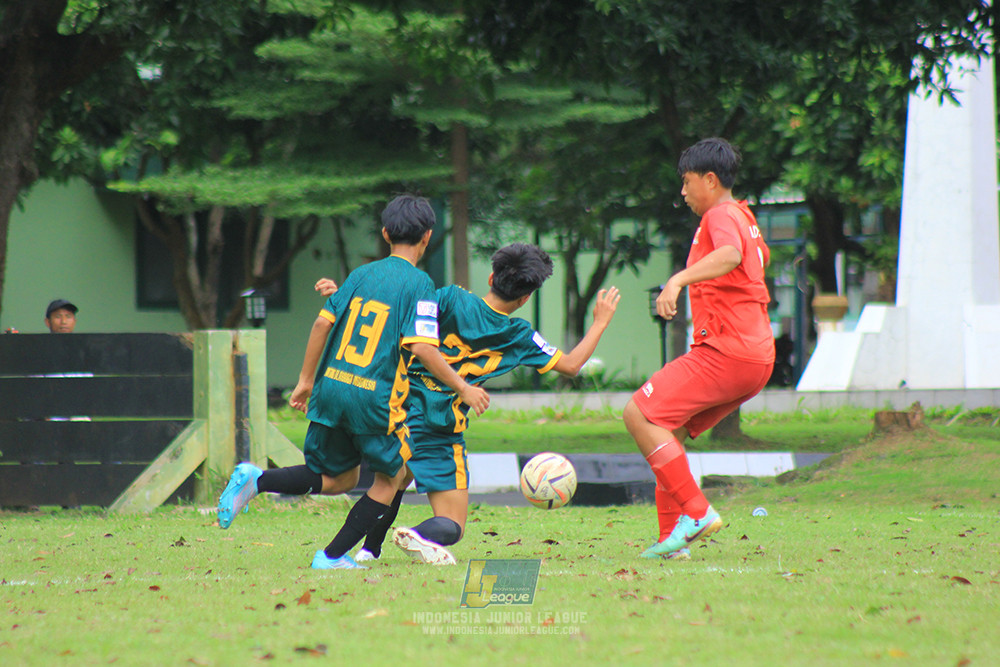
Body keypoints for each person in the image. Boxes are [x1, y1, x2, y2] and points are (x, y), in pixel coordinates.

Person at [216, 194, 490, 569]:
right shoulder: (421, 284)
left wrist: (305, 381)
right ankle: (331, 556)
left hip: (332, 388)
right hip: (373, 398)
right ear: (427, 237)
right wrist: (464, 387)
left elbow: (321, 323)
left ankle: (257, 480)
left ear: (384, 233)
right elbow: (424, 347)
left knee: (338, 478)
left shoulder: (361, 275)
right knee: (391, 478)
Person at [318, 243, 620, 565]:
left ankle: (367, 550)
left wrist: (347, 298)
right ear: (524, 298)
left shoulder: (450, 298)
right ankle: (416, 534)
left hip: (400, 408)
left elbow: (398, 314)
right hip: (441, 429)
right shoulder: (519, 335)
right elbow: (572, 365)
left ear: (491, 277)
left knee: (394, 481)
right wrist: (600, 322)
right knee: (452, 525)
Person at [623, 138, 774, 559]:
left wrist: (677, 280)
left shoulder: (721, 215)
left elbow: (729, 255)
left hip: (728, 351)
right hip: (757, 356)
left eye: (687, 182)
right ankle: (673, 542)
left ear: (710, 179)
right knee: (666, 430)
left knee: (639, 413)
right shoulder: (745, 215)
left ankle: (698, 512)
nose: (683, 192)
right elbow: (752, 260)